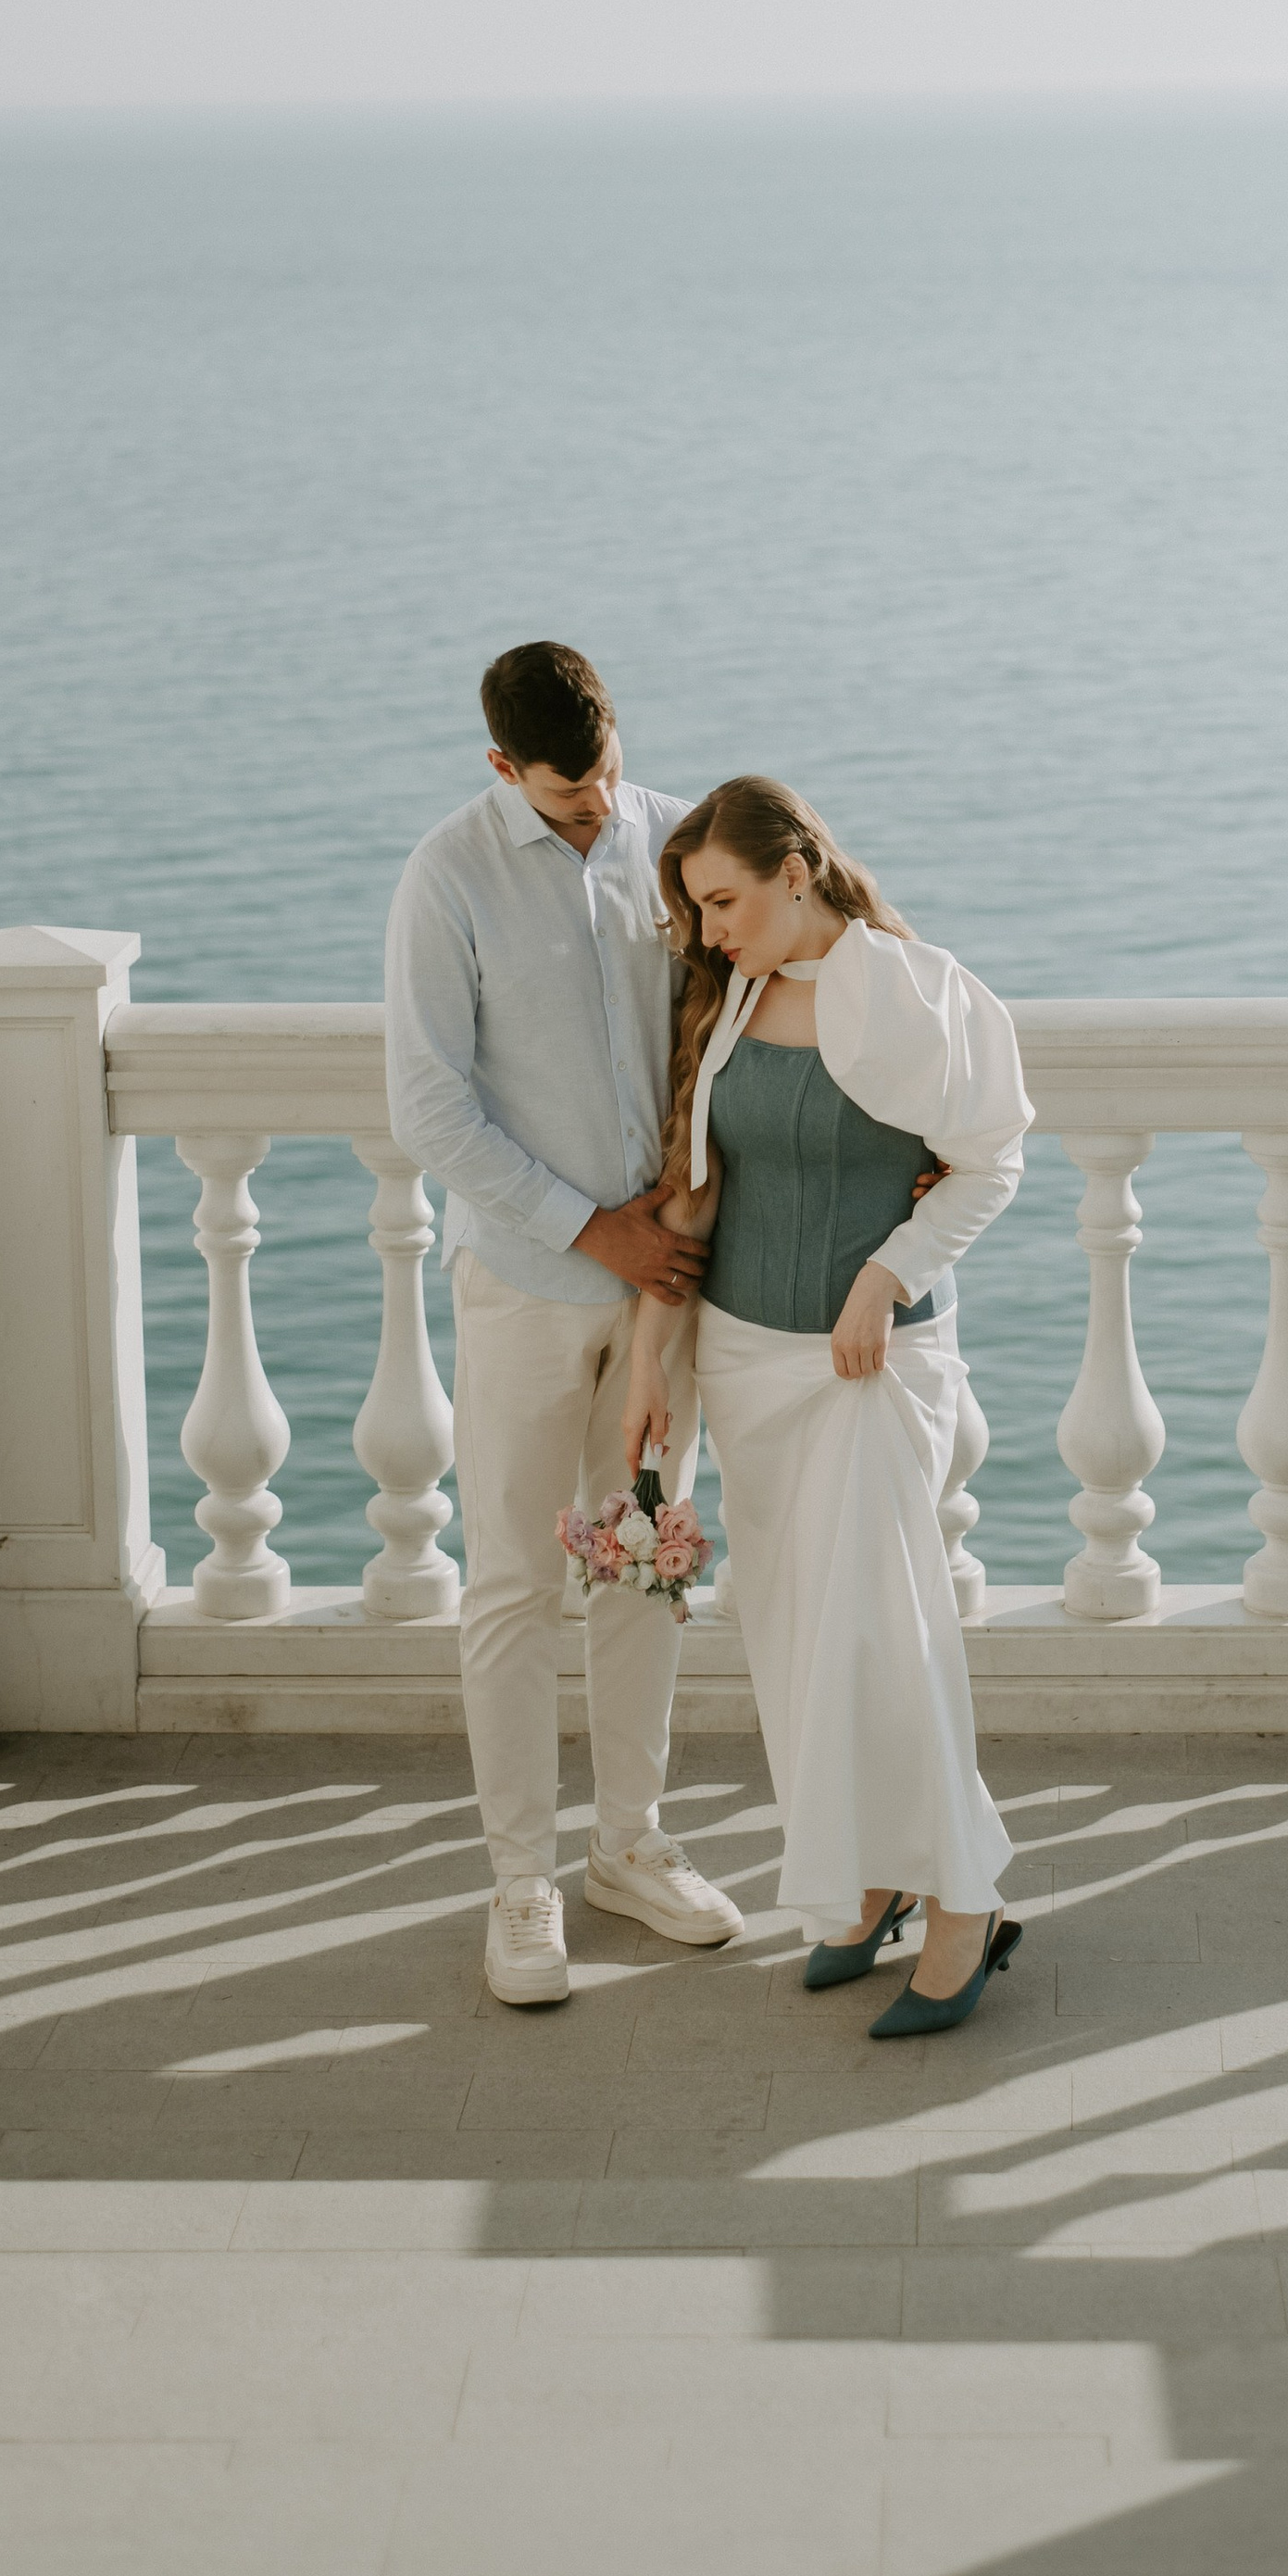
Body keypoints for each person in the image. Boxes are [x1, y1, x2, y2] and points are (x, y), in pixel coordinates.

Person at [624, 777, 1032, 2038]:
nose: (710, 930)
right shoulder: (730, 998)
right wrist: (654, 1368)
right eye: (696, 910)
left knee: (889, 1643)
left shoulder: (911, 991)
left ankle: (963, 1905)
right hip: (749, 1364)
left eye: (726, 901)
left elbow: (993, 1158)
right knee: (797, 1643)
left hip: (868, 1370)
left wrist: (886, 1275)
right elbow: (694, 1195)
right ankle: (862, 1885)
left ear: (796, 871)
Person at [384, 640, 744, 2007]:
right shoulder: (447, 879)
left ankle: (633, 1849)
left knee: (649, 1566)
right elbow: (431, 1110)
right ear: (501, 770)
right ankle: (521, 1882)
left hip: (666, 1295)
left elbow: (716, 1022)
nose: (599, 810)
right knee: (515, 1589)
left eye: (604, 780)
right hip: (532, 1293)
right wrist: (598, 1228)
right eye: (568, 796)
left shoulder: (667, 840)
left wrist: (673, 1224)